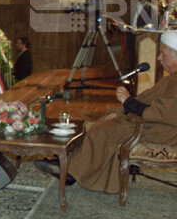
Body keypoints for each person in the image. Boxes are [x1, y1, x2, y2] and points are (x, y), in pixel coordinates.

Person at [41, 30, 177, 194]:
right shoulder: (171, 78)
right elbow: (144, 99)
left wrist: (127, 102)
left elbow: (161, 113)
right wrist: (120, 111)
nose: (159, 58)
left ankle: (70, 172)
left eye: (163, 54)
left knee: (106, 132)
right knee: (104, 121)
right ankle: (70, 163)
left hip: (163, 130)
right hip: (152, 122)